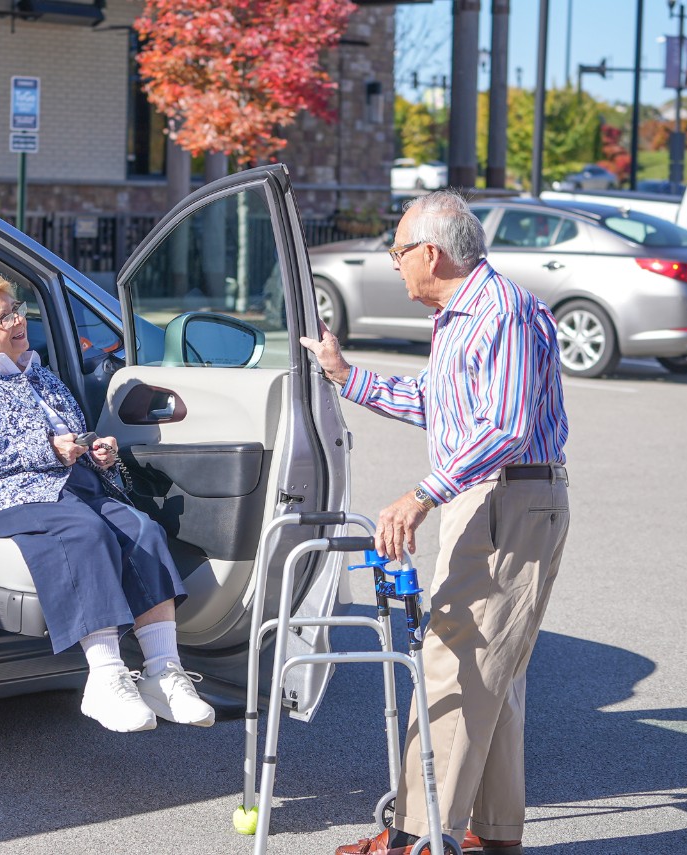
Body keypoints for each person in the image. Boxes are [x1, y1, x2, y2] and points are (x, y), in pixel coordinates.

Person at [300, 190, 570, 855]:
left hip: (508, 496)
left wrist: (421, 494)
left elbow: (503, 427)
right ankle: (492, 833)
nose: (394, 264)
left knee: (453, 667)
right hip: (490, 497)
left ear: (431, 251)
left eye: (397, 251)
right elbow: (438, 402)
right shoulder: (460, 314)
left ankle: (418, 838)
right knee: (490, 673)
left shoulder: (500, 311)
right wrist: (346, 375)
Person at [0, 270, 214, 734]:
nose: (19, 321)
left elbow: (71, 434)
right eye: (5, 317)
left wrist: (94, 450)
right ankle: (104, 679)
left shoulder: (41, 374)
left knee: (143, 529)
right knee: (84, 531)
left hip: (67, 487)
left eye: (17, 310)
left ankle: (163, 672)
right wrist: (48, 447)